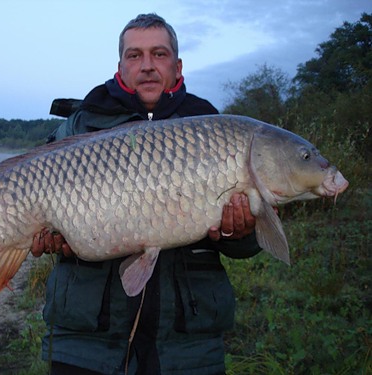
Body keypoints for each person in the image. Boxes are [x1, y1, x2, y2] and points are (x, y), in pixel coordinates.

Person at [31, 13, 261, 375]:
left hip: (186, 346)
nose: (147, 66)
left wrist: (242, 232)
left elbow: (245, 247)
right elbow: (37, 222)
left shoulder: (214, 128)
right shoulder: (80, 124)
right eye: (135, 55)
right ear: (120, 66)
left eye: (159, 54)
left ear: (178, 64)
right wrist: (50, 237)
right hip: (87, 342)